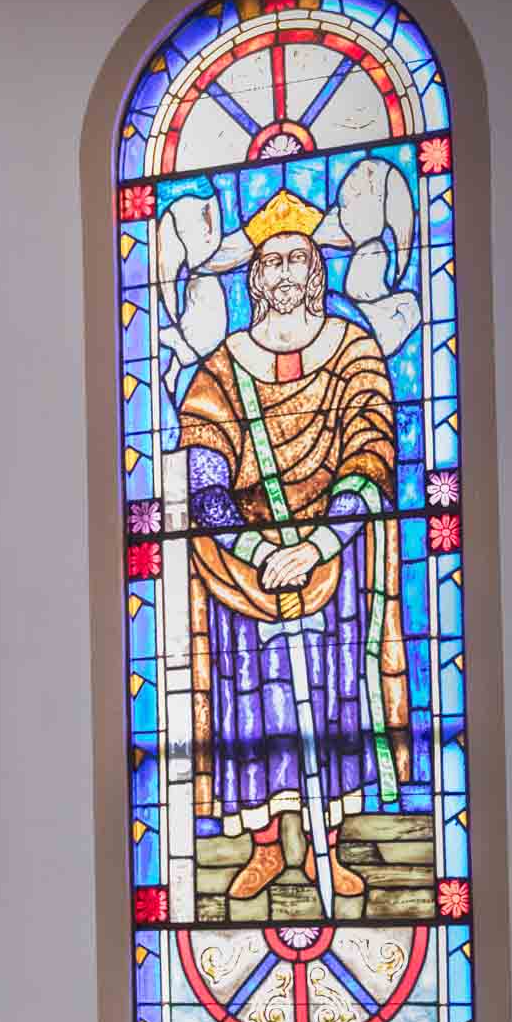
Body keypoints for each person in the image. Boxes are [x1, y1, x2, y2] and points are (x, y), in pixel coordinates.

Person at [180, 188, 410, 903]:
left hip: (328, 563)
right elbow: (202, 469)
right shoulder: (220, 366)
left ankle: (325, 848)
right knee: (255, 709)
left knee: (330, 698)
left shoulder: (352, 353)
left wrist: (313, 545)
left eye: (293, 259)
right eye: (268, 263)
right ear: (253, 280)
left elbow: (370, 457)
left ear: (315, 271)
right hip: (242, 575)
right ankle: (262, 845)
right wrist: (251, 551)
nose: (280, 273)